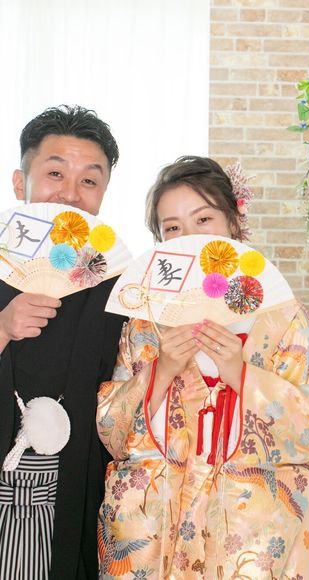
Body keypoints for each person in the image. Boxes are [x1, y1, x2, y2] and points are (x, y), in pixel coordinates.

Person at [96, 156, 309, 579]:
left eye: (203, 219)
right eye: (172, 227)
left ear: (233, 221)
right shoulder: (146, 322)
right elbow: (112, 432)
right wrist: (161, 371)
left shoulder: (284, 319)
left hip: (251, 531)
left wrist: (241, 374)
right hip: (158, 527)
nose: (189, 237)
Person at [0, 105, 126, 580]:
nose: (71, 194)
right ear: (20, 183)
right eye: (55, 173)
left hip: (73, 488)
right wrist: (2, 327)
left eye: (89, 180)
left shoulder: (117, 285)